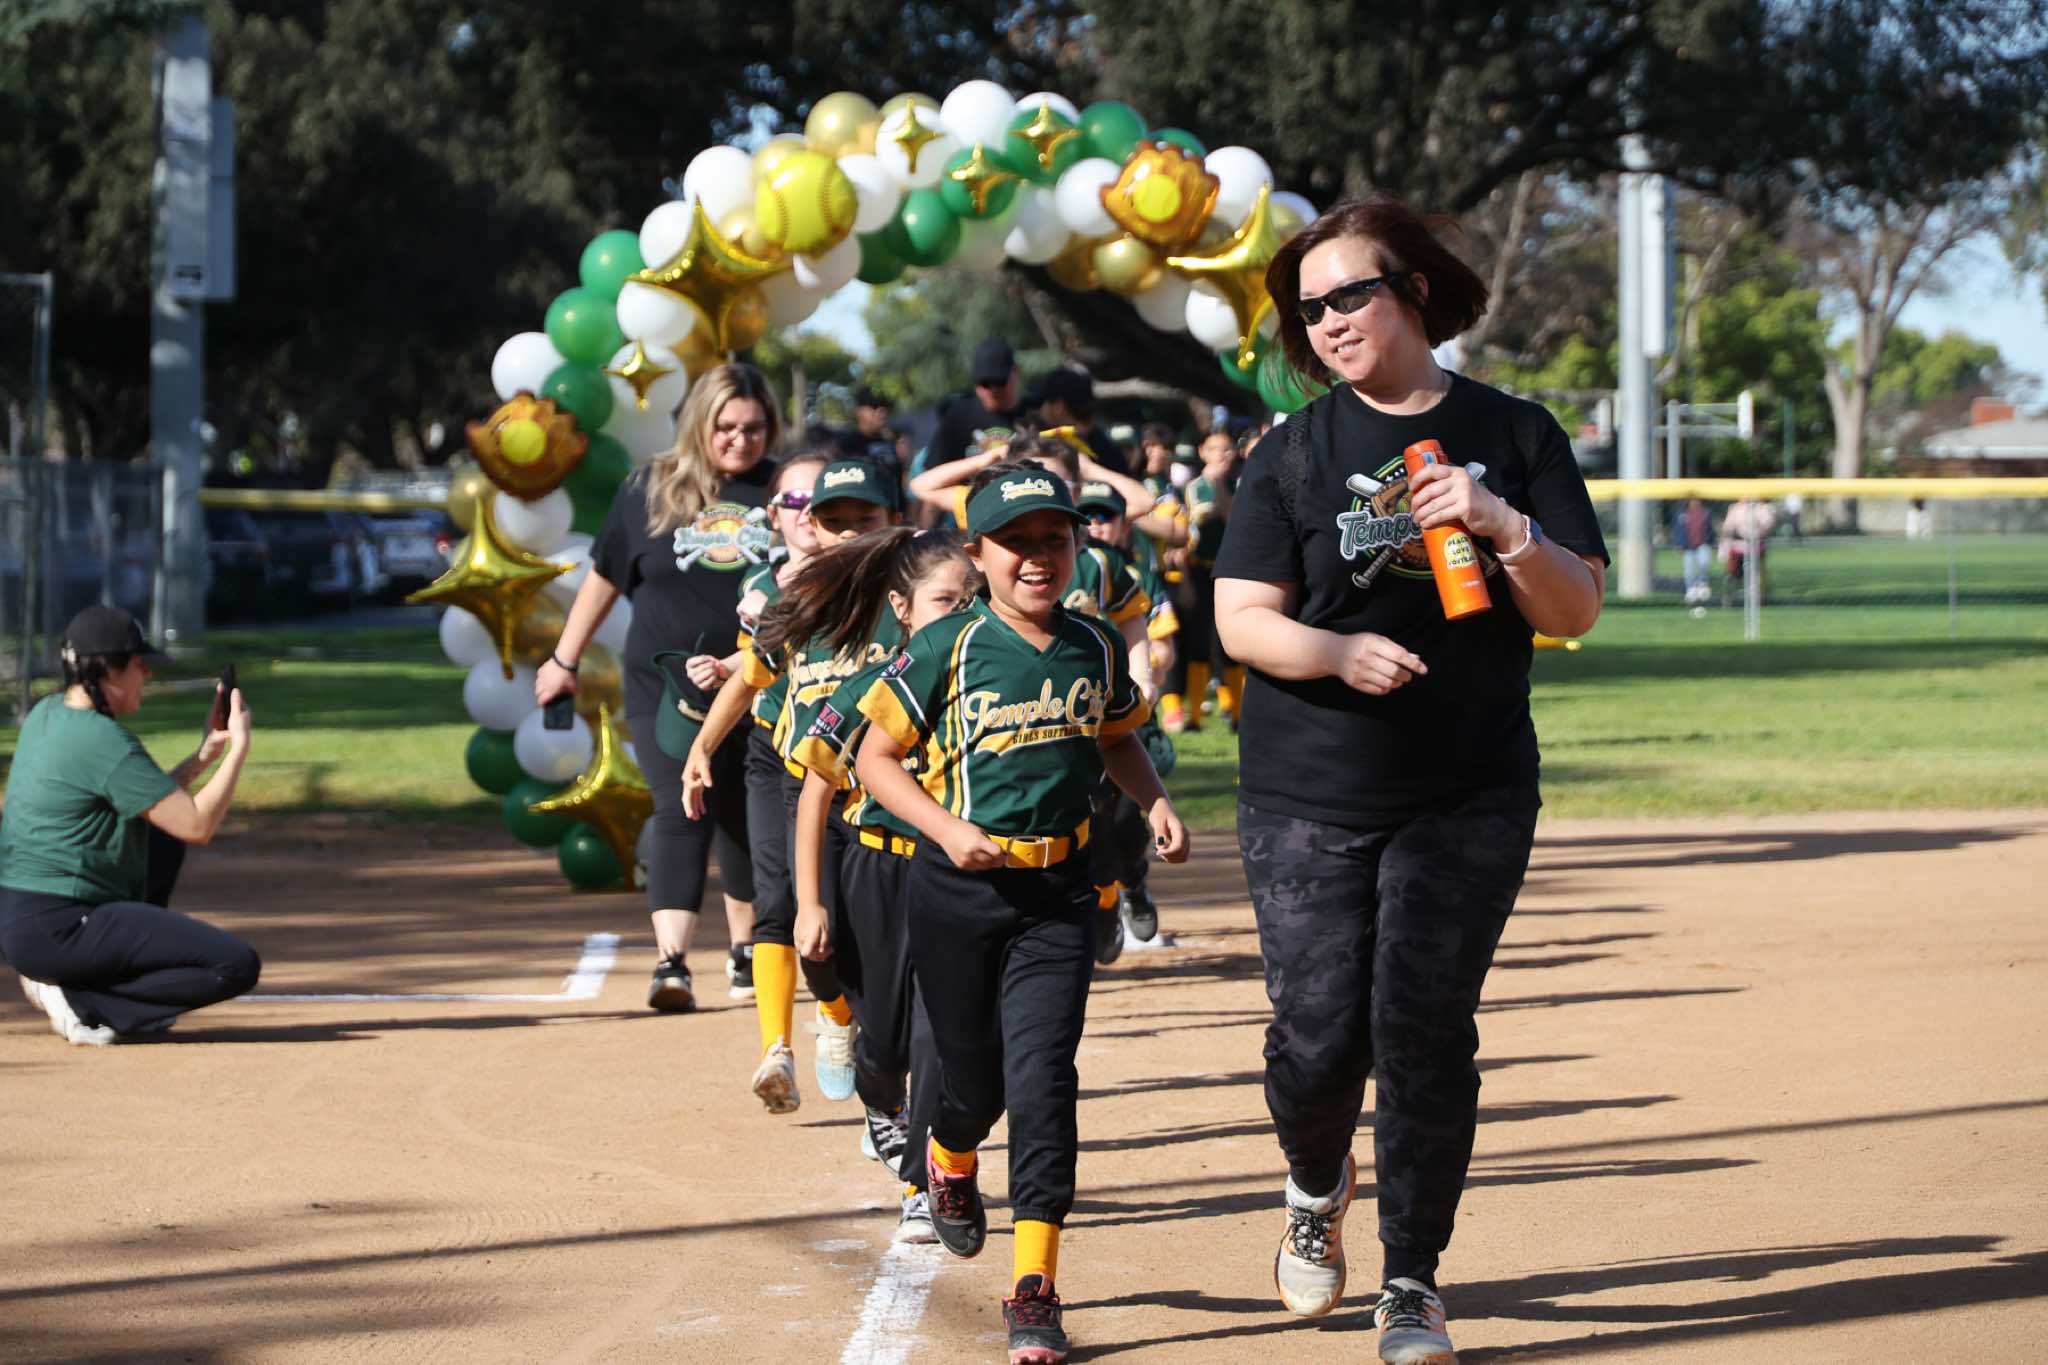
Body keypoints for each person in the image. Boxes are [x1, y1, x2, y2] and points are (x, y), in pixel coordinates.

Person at [1213, 193, 1607, 1364]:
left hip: (1467, 788)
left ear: (1412, 293)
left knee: (1423, 1027)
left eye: (1350, 294)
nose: (1328, 320)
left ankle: (1411, 1282)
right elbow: (1239, 619)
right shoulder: (1289, 454)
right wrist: (1332, 654)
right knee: (1318, 1037)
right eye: (1309, 308)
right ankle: (1311, 1179)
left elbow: (1574, 611)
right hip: (1307, 789)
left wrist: (1499, 524)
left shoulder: (1515, 432)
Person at [855, 463, 1189, 1365]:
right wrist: (946, 828)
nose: (1037, 556)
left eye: (1054, 538)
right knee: (974, 1085)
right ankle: (951, 1152)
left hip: (1059, 891)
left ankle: (1034, 1287)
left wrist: (1154, 799)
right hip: (958, 890)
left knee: (1044, 1082)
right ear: (979, 553)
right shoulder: (947, 646)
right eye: (1016, 542)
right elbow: (875, 758)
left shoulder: (1094, 643)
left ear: (1077, 545)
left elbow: (1115, 735)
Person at [537, 363, 779, 1013]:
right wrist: (564, 658)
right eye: (726, 426)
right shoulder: (650, 487)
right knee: (681, 806)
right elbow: (605, 576)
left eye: (754, 427)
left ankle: (746, 949)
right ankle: (672, 962)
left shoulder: (780, 491)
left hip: (756, 678)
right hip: (664, 682)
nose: (740, 440)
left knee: (744, 811)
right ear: (699, 422)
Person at [683, 458, 900, 1111]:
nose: (851, 532)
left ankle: (887, 1092)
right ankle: (832, 1013)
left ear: (892, 521)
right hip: (806, 783)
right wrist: (702, 745)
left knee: (882, 940)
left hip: (888, 791)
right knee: (813, 933)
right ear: (813, 526)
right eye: (837, 521)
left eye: (866, 518)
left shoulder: (909, 599)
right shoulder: (797, 601)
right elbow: (750, 677)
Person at [782, 527, 979, 1242]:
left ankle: (921, 1185)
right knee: (886, 1046)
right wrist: (810, 902)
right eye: (945, 601)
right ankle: (879, 1100)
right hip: (874, 872)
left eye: (970, 601)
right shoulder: (867, 687)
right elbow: (814, 795)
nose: (960, 614)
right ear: (902, 607)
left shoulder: (983, 682)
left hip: (951, 872)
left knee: (937, 1038)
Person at [2, 606, 260, 1044]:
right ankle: (83, 1002)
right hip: (60, 927)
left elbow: (155, 803)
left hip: (27, 920)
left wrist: (205, 755)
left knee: (162, 839)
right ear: (107, 671)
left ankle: (91, 986)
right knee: (235, 965)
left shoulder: (49, 713)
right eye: (139, 664)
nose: (148, 675)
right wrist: (239, 750)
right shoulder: (103, 740)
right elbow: (197, 825)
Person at [730, 452, 831, 1008]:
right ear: (774, 514)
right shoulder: (756, 584)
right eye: (795, 500)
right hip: (773, 746)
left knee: (833, 901)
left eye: (821, 499)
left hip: (842, 753)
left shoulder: (864, 579)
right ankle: (777, 1046)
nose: (808, 511)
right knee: (774, 896)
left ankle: (838, 1012)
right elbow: (757, 665)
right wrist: (724, 667)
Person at [1076, 480, 1181, 946]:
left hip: (1120, 713)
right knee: (1090, 825)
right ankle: (1102, 902)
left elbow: (1160, 642)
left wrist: (1142, 680)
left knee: (1121, 820)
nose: (1097, 524)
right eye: (1089, 515)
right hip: (1069, 721)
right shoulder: (1047, 569)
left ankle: (1133, 882)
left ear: (1125, 524)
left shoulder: (1123, 571)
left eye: (1107, 516)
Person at [1163, 429, 1240, 733]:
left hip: (1229, 570)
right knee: (1198, 641)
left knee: (1228, 644)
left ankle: (1238, 713)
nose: (1222, 455)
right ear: (1202, 452)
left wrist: (1220, 485)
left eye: (1227, 449)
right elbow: (1185, 529)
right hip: (1198, 570)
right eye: (1215, 449)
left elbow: (1233, 518)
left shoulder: (1237, 484)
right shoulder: (1191, 487)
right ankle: (1194, 716)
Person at [922, 337, 1034, 473]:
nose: (993, 390)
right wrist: (983, 461)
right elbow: (931, 474)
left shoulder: (1036, 413)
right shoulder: (959, 417)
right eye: (985, 383)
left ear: (1016, 371)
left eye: (999, 381)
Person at [834, 387, 905, 494]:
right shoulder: (846, 445)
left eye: (885, 406)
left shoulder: (893, 442)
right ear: (859, 411)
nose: (882, 411)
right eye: (874, 406)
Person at [1675, 497, 1714, 605]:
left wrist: (1711, 542)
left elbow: (1710, 529)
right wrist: (1679, 544)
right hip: (1688, 546)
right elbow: (1678, 530)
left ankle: (1703, 584)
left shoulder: (1705, 513)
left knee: (1704, 564)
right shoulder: (1683, 514)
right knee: (1689, 570)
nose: (1695, 502)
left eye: (1697, 500)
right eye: (1692, 500)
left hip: (1703, 543)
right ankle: (1691, 589)